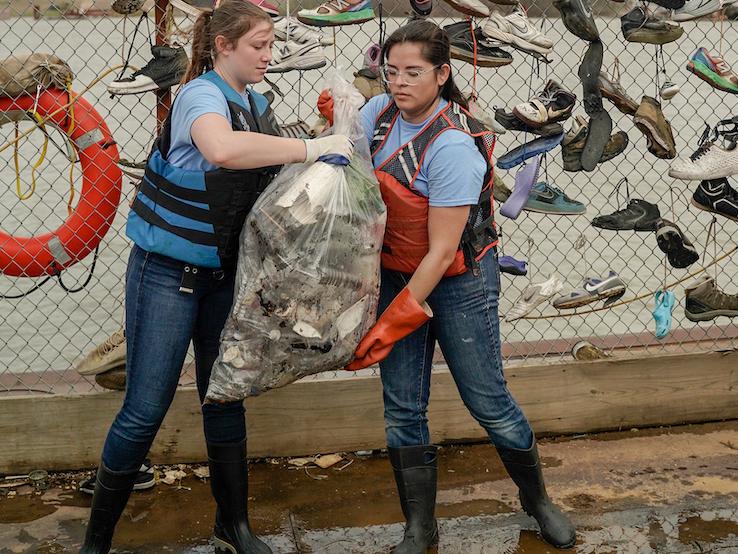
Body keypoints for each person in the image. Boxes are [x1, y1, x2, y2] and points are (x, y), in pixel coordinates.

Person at [79, 1, 353, 552]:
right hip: (167, 274)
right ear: (223, 46)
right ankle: (96, 543)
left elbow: (272, 166)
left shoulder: (253, 100)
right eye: (259, 46)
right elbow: (222, 149)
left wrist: (339, 127)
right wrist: (313, 146)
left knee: (225, 396)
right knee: (146, 406)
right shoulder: (200, 95)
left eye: (274, 46)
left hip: (223, 275)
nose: (269, 57)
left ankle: (234, 527)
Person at [319, 20, 575, 552]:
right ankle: (420, 525)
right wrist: (336, 125)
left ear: (443, 73)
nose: (399, 83)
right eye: (391, 72)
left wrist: (398, 316)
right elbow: (345, 168)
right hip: (394, 269)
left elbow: (440, 251)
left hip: (458, 279)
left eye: (414, 72)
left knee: (487, 401)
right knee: (403, 406)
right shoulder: (377, 114)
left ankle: (538, 500)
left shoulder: (452, 144)